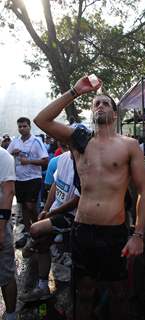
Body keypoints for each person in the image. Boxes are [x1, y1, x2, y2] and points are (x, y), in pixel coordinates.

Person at [34, 75, 145, 319]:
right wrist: (75, 91)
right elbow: (41, 120)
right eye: (96, 103)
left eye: (105, 103)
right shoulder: (79, 142)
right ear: (91, 111)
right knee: (84, 292)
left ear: (115, 114)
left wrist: (138, 234)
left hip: (114, 232)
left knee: (119, 292)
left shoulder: (129, 145)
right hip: (83, 230)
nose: (100, 106)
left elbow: (144, 191)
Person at [20, 149, 80, 302]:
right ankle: (43, 286)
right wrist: (46, 209)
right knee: (43, 243)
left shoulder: (85, 162)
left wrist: (52, 213)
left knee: (35, 229)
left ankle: (31, 242)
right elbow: (55, 184)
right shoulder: (63, 158)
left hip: (72, 215)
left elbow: (76, 200)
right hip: (57, 210)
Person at [7, 117, 49, 246]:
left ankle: (39, 227)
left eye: (24, 126)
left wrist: (29, 161)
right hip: (19, 178)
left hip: (33, 178)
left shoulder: (36, 141)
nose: (22, 129)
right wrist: (13, 154)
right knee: (23, 206)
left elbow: (45, 161)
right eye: (20, 126)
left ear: (29, 127)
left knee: (30, 205)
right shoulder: (15, 142)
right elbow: (6, 156)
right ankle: (28, 232)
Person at [0, 146, 17, 320]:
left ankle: (11, 314)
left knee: (5, 273)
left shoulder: (3, 157)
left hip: (0, 222)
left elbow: (8, 192)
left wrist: (1, 229)